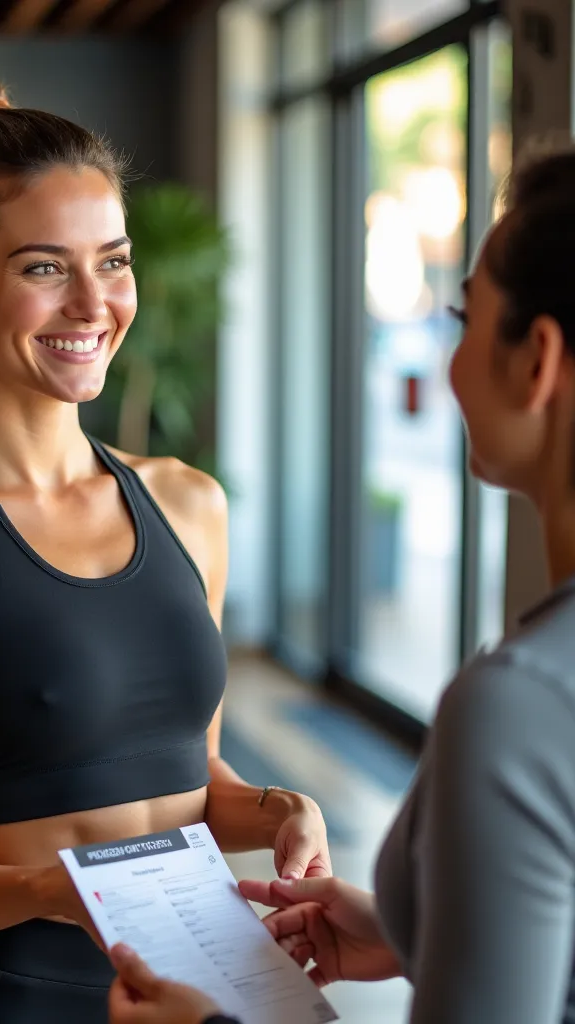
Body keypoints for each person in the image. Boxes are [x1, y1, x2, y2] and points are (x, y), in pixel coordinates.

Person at [0, 78, 332, 1024]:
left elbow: (188, 785)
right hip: (7, 1001)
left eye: (114, 261)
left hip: (199, 992)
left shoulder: (188, 503)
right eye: (45, 267)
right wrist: (53, 889)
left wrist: (282, 810)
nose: (95, 304)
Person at [103, 140, 575, 1024]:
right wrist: (421, 938)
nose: (451, 354)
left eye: (464, 318)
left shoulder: (524, 705)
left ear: (536, 361)